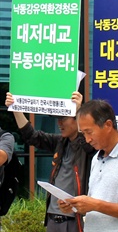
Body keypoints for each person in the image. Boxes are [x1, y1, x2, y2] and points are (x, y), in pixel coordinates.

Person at [5, 91, 95, 232]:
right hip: (53, 217)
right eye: (57, 118)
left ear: (75, 119)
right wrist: (16, 108)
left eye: (63, 118)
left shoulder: (87, 145)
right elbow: (32, 136)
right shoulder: (59, 142)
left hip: (75, 218)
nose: (59, 123)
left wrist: (79, 110)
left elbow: (87, 145)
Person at [58, 100, 118, 232]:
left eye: (89, 132)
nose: (87, 139)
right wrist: (74, 205)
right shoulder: (97, 158)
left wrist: (95, 205)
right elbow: (94, 206)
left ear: (108, 125)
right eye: (83, 133)